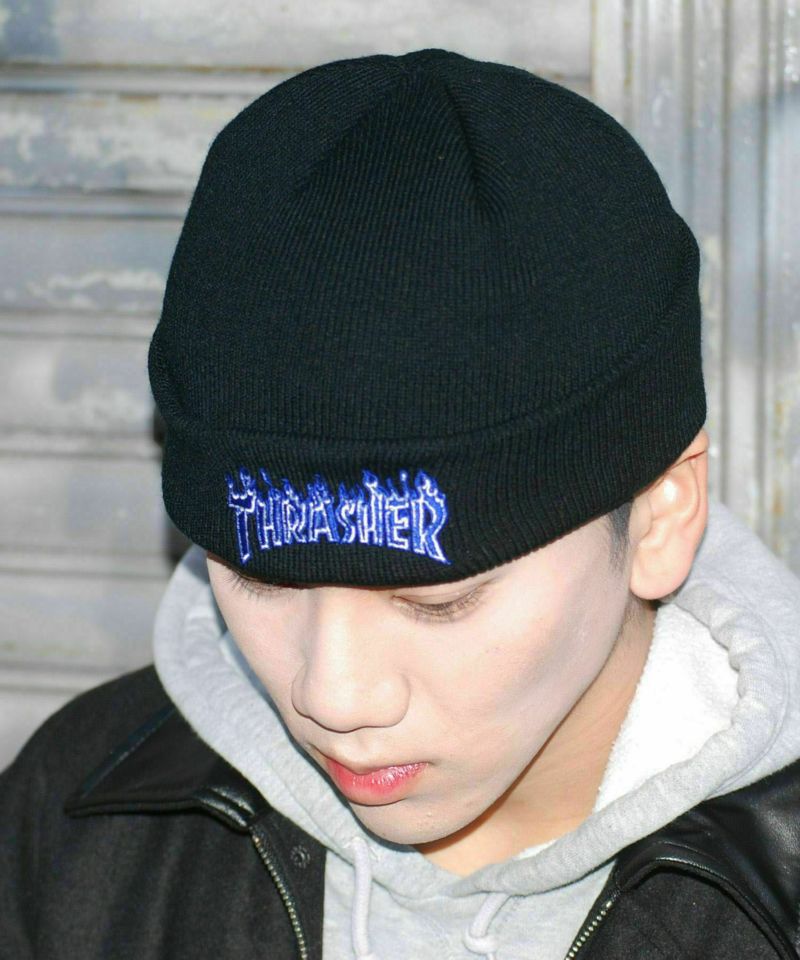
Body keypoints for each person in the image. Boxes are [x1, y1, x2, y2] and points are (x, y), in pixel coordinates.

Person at [2, 47, 800, 960]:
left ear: (660, 516)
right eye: (264, 579)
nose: (334, 696)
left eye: (436, 600)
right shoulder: (74, 825)